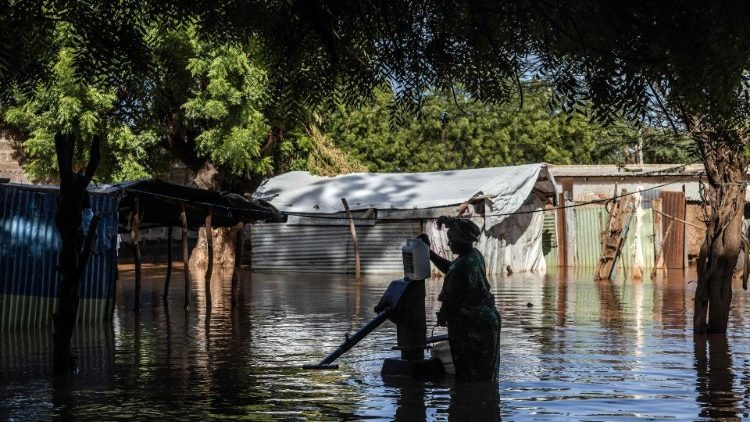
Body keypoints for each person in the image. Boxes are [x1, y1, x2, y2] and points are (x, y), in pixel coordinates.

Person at [418, 216, 501, 381]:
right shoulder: (474, 255)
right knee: (487, 371)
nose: (449, 244)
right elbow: (451, 268)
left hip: (472, 325)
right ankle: (487, 402)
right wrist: (429, 253)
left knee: (469, 374)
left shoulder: (460, 267)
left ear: (461, 240)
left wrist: (442, 317)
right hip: (489, 318)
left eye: (451, 240)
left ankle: (468, 402)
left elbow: (450, 303)